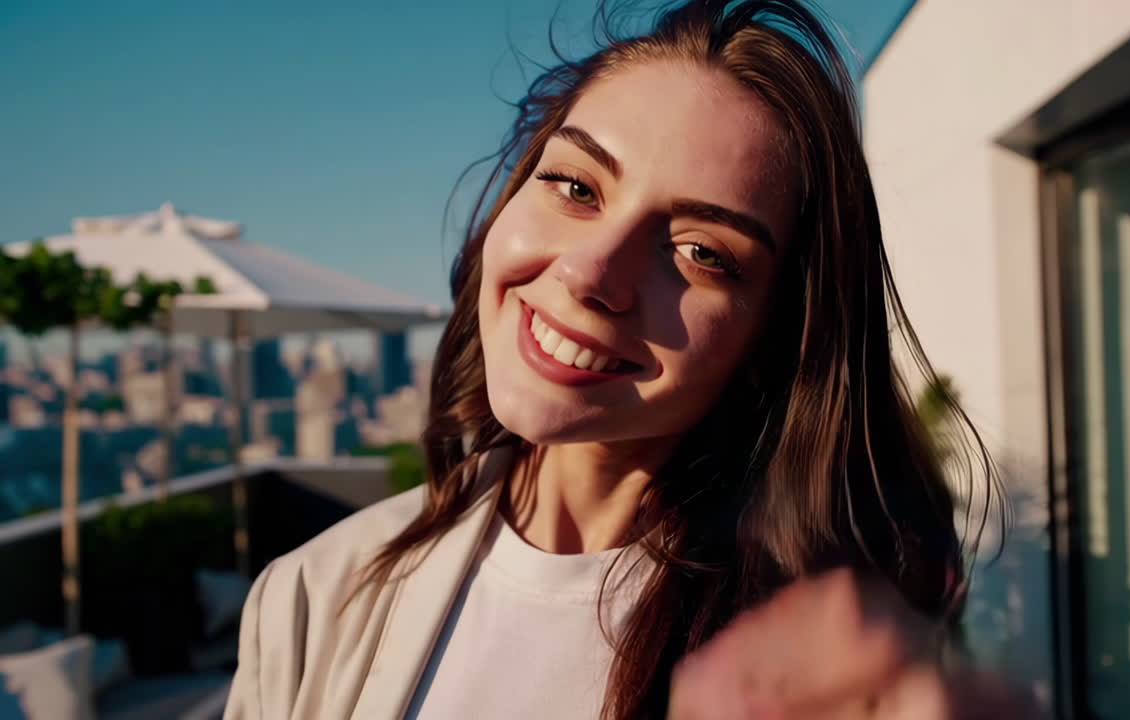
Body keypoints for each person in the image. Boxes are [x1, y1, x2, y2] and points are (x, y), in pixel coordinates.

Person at [224, 1, 1031, 718]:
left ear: (771, 341)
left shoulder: (819, 665)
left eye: (700, 252)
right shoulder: (312, 597)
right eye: (575, 187)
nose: (589, 272)